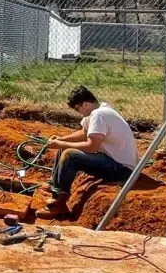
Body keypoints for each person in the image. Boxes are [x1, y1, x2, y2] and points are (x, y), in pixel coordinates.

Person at [35, 86, 138, 219]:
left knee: (70, 155)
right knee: (63, 148)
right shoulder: (100, 109)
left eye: (78, 109)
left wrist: (63, 144)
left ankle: (59, 205)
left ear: (85, 104)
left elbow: (92, 147)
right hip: (113, 160)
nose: (79, 112)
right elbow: (84, 133)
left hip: (122, 169)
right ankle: (55, 186)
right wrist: (62, 140)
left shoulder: (98, 115)